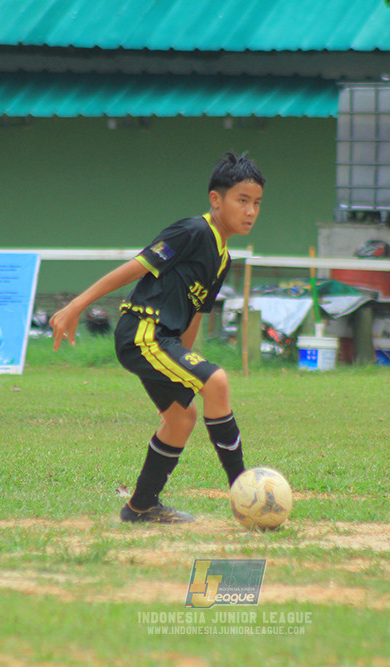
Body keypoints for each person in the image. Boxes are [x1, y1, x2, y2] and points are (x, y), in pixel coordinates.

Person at [50, 152, 264, 523]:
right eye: (241, 200)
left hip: (165, 342)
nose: (250, 211)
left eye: (257, 203)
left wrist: (186, 359)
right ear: (217, 200)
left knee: (182, 419)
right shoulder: (193, 232)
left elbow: (196, 315)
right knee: (217, 381)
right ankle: (247, 496)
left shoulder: (223, 257)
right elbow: (133, 268)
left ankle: (141, 507)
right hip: (143, 332)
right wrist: (75, 306)